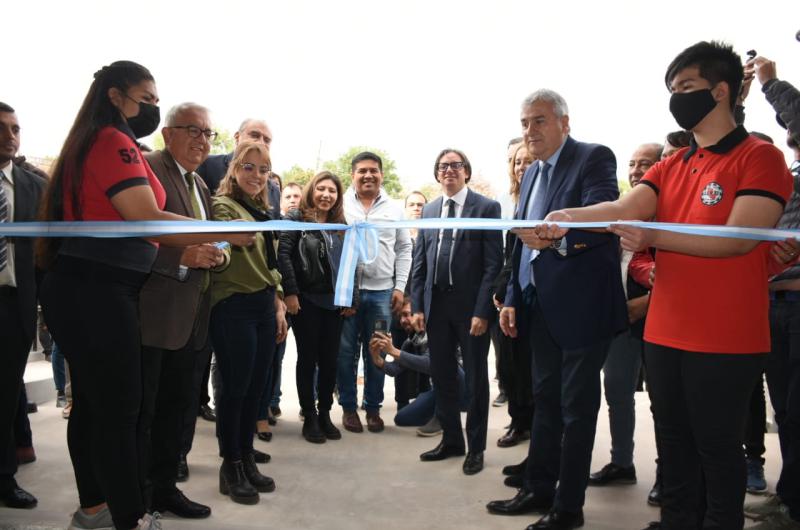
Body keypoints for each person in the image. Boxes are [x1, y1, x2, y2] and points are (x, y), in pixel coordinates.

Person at [532, 41, 792, 530]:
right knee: (673, 445)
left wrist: (654, 235)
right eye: (672, 90)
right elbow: (624, 207)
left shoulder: (760, 158)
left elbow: (738, 238)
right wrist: (567, 217)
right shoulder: (673, 164)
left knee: (717, 448)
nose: (677, 98)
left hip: (725, 335)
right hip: (665, 331)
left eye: (687, 88)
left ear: (721, 91)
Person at [37, 61, 253, 530]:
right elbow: (143, 215)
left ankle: (95, 508)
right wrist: (221, 230)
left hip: (92, 286)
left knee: (97, 407)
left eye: (158, 101)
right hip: (96, 288)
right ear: (116, 96)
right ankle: (130, 519)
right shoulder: (113, 142)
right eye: (147, 99)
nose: (152, 109)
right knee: (119, 410)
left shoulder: (100, 141)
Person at [487, 89, 626, 530]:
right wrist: (512, 296)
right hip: (536, 305)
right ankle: (537, 488)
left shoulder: (593, 158)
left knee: (575, 408)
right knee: (544, 401)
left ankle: (569, 508)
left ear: (565, 123)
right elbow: (520, 242)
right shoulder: (529, 175)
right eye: (525, 123)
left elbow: (605, 219)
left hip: (582, 308)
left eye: (540, 121)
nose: (530, 131)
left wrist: (561, 237)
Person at [136, 102, 222, 519]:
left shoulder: (200, 186)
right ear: (167, 133)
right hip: (153, 316)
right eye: (194, 130)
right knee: (145, 412)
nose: (202, 141)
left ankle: (165, 488)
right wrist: (179, 259)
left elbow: (207, 241)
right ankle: (138, 493)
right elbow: (131, 238)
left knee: (177, 408)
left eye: (208, 133)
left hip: (192, 318)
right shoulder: (147, 168)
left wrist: (217, 256)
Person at [411, 148, 503, 476]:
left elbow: (494, 264)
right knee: (443, 375)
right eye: (443, 166)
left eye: (455, 165)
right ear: (437, 174)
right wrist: (417, 304)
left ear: (466, 171)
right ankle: (451, 440)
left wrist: (483, 311)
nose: (449, 170)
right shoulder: (431, 209)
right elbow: (420, 259)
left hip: (470, 310)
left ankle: (475, 447)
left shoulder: (487, 208)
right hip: (436, 307)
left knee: (476, 379)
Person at [210, 141, 288, 505]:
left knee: (255, 391)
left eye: (263, 169)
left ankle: (246, 457)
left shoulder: (261, 211)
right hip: (233, 306)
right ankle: (232, 465)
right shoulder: (223, 207)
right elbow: (222, 248)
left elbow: (271, 265)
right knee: (235, 390)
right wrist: (224, 243)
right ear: (234, 170)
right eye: (249, 167)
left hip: (261, 305)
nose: (256, 176)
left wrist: (278, 303)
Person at [742, 55, 800, 529]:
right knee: (786, 410)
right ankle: (791, 497)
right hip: (774, 305)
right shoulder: (786, 184)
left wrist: (771, 83)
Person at [278, 170, 358, 443]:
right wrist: (290, 292)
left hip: (334, 304)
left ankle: (325, 412)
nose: (326, 194)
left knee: (330, 360)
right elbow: (284, 255)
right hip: (305, 301)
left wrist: (351, 297)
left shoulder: (341, 223)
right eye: (322, 189)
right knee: (308, 359)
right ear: (312, 190)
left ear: (338, 197)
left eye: (332, 191)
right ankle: (309, 415)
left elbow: (351, 262)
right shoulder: (296, 219)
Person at [338, 152, 412, 433]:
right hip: (349, 295)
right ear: (352, 175)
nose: (368, 175)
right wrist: (341, 292)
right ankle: (348, 408)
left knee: (377, 350)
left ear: (381, 174)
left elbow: (405, 249)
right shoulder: (340, 205)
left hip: (382, 294)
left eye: (373, 171)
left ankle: (373, 408)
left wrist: (400, 287)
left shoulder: (394, 209)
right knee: (346, 354)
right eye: (362, 171)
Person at [0, 102, 45, 510]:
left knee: (5, 390)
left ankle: (3, 478)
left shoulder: (33, 187)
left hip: (13, 303)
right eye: (2, 128)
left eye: (15, 129)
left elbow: (43, 253)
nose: (10, 136)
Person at [369, 295, 467, 430]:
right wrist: (377, 359)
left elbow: (432, 364)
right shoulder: (411, 341)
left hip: (464, 387)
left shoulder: (438, 330)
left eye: (406, 315)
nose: (403, 320)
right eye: (400, 316)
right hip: (440, 391)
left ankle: (442, 417)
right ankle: (442, 413)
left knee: (448, 365)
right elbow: (395, 369)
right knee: (402, 418)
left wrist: (392, 350)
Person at [494, 141, 535, 452]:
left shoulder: (542, 200)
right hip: (507, 294)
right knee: (509, 366)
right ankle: (518, 420)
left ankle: (531, 424)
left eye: (527, 160)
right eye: (517, 162)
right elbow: (507, 254)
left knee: (530, 368)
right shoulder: (510, 202)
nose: (521, 167)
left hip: (530, 296)